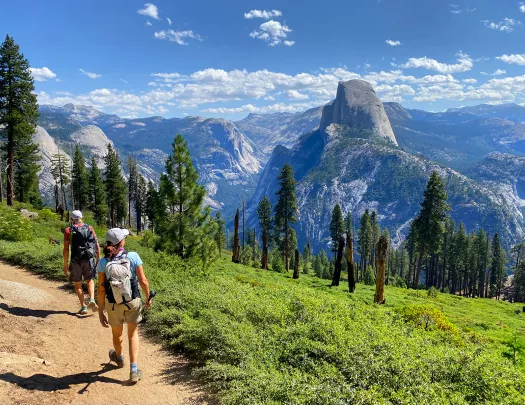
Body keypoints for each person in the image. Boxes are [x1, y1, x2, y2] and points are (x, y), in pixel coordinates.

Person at [97, 228, 152, 384]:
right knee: (132, 334)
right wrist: (148, 297)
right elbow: (143, 281)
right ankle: (134, 370)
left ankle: (119, 358)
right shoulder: (133, 256)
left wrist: (101, 311)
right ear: (121, 242)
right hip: (132, 301)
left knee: (117, 334)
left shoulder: (103, 262)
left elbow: (101, 289)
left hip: (113, 304)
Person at [63, 210, 100, 314]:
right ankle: (92, 299)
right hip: (89, 258)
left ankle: (84, 306)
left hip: (75, 260)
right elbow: (96, 244)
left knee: (78, 283)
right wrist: (98, 258)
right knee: (90, 280)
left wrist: (65, 265)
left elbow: (66, 250)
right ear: (81, 218)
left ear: (71, 219)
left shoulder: (68, 230)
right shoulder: (90, 228)